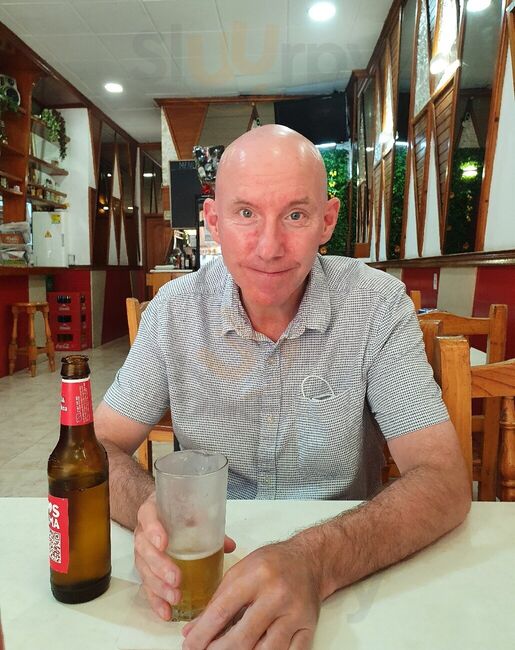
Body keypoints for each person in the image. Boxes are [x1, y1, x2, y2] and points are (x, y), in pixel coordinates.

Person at [95, 125, 470, 650]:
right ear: (213, 221)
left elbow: (444, 479)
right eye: (246, 213)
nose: (270, 248)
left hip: (344, 571)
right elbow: (97, 446)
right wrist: (148, 509)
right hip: (202, 574)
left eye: (295, 215)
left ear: (327, 221)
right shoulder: (173, 314)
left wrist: (315, 561)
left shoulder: (376, 306)